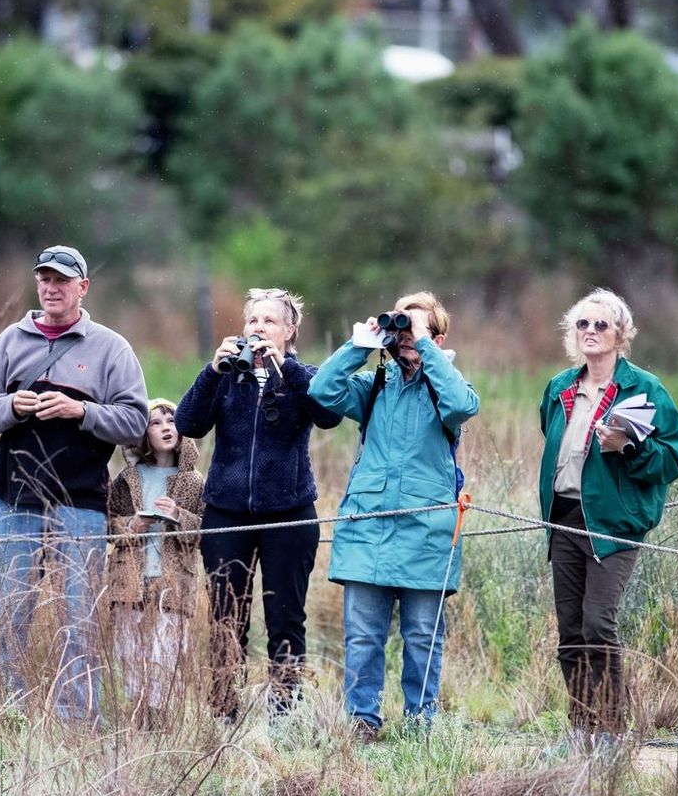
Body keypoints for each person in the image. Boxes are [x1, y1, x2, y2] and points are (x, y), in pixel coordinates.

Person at [0, 245, 148, 721]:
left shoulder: (112, 348)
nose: (51, 287)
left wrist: (81, 411)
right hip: (15, 499)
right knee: (11, 614)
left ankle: (77, 720)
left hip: (82, 502)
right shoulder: (10, 341)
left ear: (82, 288)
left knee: (79, 619)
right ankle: (4, 717)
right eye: (44, 278)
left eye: (62, 280)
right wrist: (13, 407)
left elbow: (135, 422)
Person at [309, 291, 479, 741]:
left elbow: (462, 407)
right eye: (401, 329)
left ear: (437, 339)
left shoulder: (447, 386)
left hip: (428, 534)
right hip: (368, 529)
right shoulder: (375, 386)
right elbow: (321, 391)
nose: (404, 338)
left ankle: (421, 724)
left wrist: (424, 345)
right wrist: (359, 345)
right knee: (363, 637)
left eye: (416, 330)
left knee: (423, 638)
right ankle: (362, 721)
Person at [175, 287, 342, 721]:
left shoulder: (303, 374)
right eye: (252, 321)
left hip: (288, 512)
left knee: (286, 616)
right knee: (226, 616)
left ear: (289, 330)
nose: (258, 328)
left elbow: (328, 415)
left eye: (269, 321)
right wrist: (213, 371)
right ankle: (222, 711)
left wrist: (286, 369)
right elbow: (187, 423)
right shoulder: (229, 375)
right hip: (226, 511)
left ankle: (284, 712)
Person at [538, 288, 678, 745]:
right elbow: (550, 431)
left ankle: (613, 731)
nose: (591, 332)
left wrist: (629, 449)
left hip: (614, 522)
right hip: (564, 516)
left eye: (601, 325)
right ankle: (582, 729)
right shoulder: (560, 386)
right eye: (583, 324)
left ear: (621, 335)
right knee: (570, 630)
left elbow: (673, 458)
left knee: (599, 622)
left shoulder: (645, 388)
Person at [105, 398, 205, 730]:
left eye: (172, 420)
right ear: (142, 434)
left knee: (167, 650)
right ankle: (136, 714)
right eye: (155, 422)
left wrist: (177, 515)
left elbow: (206, 531)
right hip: (131, 578)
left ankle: (160, 716)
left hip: (173, 580)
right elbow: (108, 524)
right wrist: (131, 527)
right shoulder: (126, 478)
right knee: (131, 649)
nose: (165, 427)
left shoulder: (193, 482)